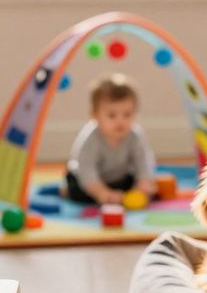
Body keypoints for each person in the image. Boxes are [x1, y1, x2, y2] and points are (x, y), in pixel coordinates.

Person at [65, 74, 158, 205]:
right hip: (87, 179)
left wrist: (143, 182)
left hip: (119, 177)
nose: (120, 121)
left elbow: (143, 160)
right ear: (95, 116)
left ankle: (116, 195)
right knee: (78, 191)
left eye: (127, 114)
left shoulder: (135, 135)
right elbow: (86, 169)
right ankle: (78, 193)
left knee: (142, 185)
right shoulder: (91, 138)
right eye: (112, 115)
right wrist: (100, 192)